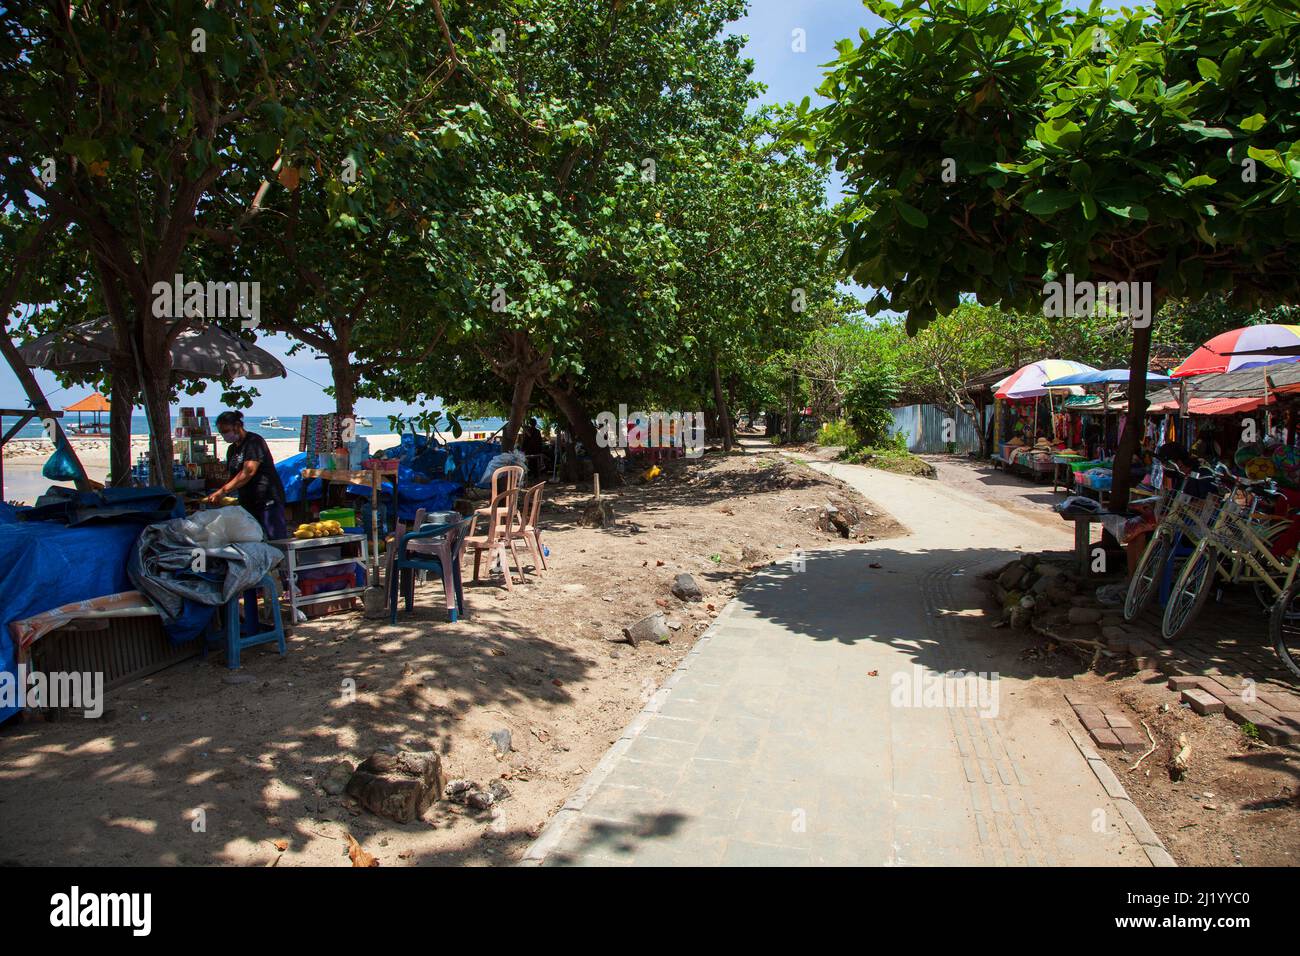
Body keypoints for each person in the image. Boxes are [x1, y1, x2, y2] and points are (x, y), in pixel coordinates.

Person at [205, 410, 287, 540]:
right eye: (222, 433)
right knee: (255, 539)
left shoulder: (254, 441)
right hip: (247, 503)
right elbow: (233, 477)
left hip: (267, 500)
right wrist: (222, 493)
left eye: (226, 431)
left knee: (276, 540)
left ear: (237, 426)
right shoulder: (232, 449)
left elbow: (248, 471)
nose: (224, 435)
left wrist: (223, 491)